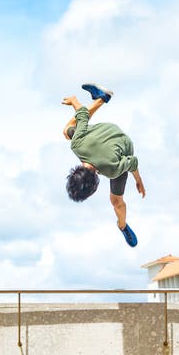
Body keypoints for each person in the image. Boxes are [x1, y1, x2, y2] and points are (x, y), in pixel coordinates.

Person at [62, 84, 145, 247]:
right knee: (67, 132)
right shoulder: (77, 145)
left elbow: (132, 161)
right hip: (105, 130)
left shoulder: (112, 169)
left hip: (123, 143)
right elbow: (83, 114)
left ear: (95, 187)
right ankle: (102, 98)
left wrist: (138, 180)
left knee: (116, 201)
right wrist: (74, 101)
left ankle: (122, 226)